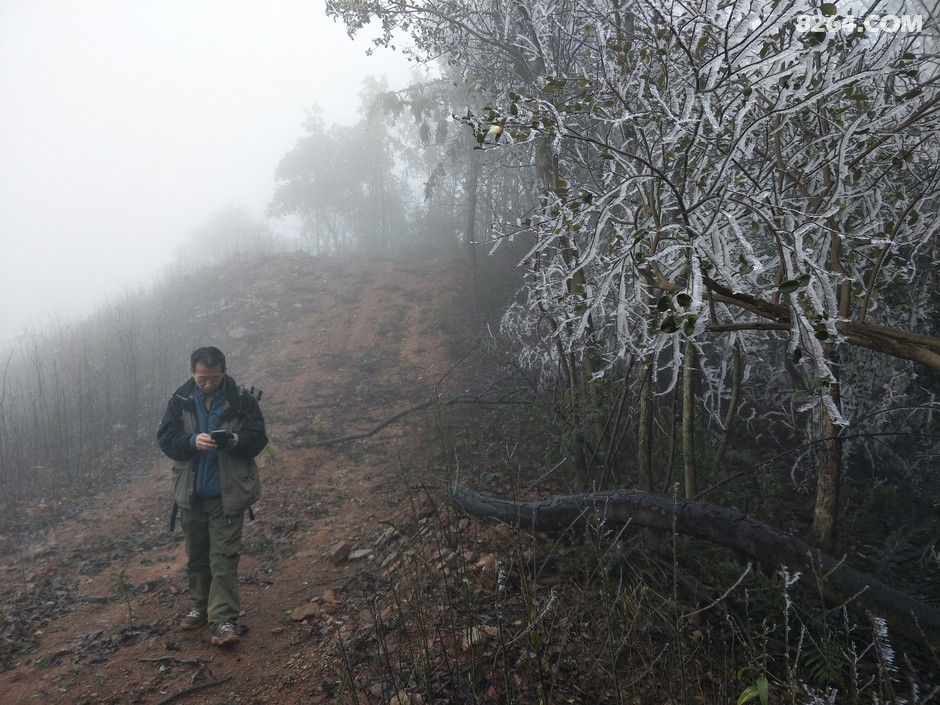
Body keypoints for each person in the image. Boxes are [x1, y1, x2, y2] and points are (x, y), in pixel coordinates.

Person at [157, 346, 268, 646]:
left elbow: (258, 438)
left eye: (214, 378)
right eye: (203, 378)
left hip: (227, 493)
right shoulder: (179, 401)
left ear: (225, 371)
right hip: (191, 493)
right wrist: (192, 441)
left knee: (224, 557)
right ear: (192, 372)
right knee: (197, 555)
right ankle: (200, 607)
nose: (208, 384)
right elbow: (166, 440)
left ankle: (223, 620)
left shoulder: (241, 400)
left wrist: (234, 440)